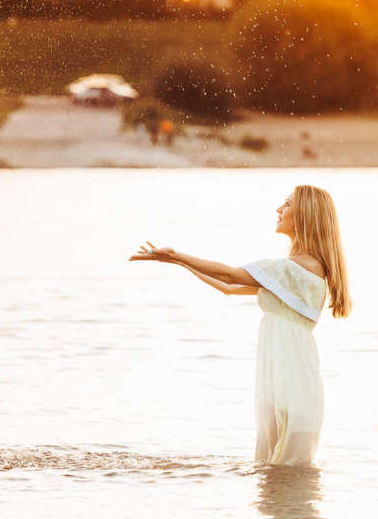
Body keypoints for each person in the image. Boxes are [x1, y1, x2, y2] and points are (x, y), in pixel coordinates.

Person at [128, 184, 351, 466]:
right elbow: (228, 287)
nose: (279, 210)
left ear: (305, 215)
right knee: (277, 471)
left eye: (287, 204)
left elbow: (231, 275)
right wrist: (179, 264)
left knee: (285, 468)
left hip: (290, 381)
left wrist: (177, 255)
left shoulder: (297, 269)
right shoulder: (294, 271)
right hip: (286, 378)